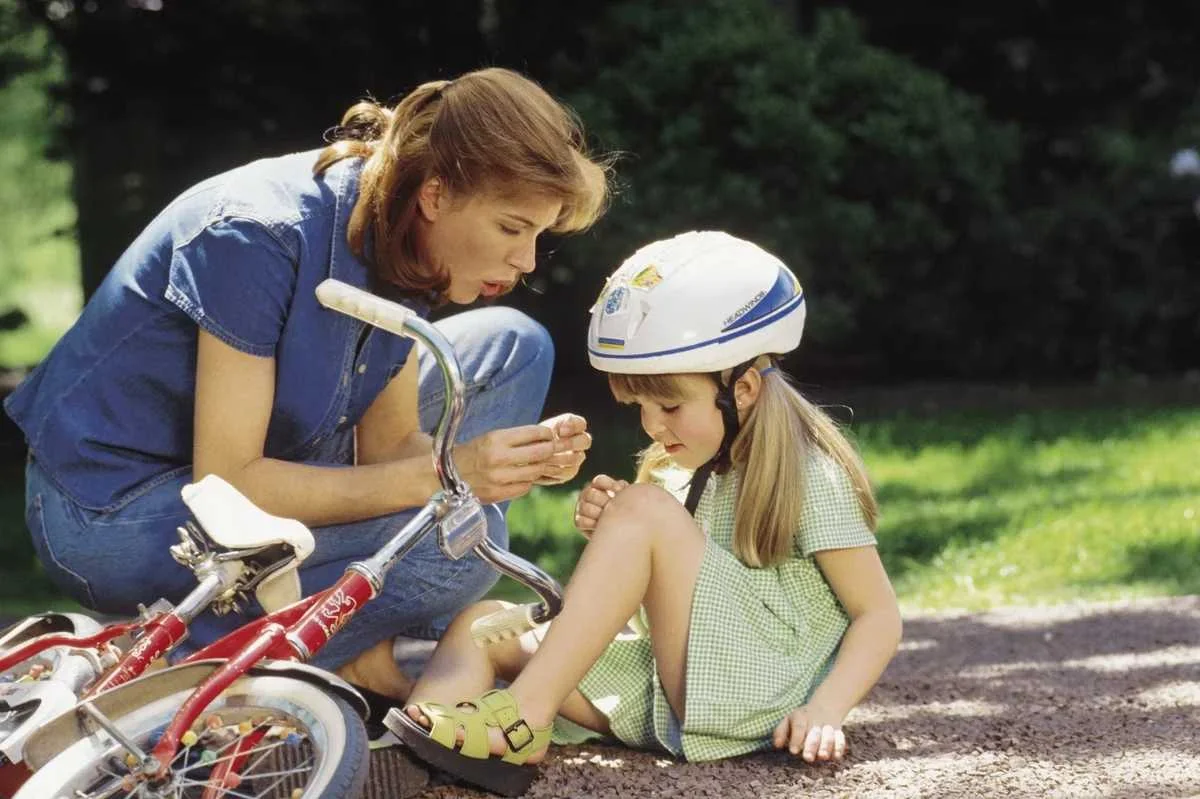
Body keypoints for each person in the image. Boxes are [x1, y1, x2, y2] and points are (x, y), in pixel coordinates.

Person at [2, 67, 611, 708]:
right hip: (114, 511)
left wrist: (502, 466)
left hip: (269, 463)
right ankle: (184, 667)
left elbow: (389, 444)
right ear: (436, 195)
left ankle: (375, 644)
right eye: (512, 228)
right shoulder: (254, 235)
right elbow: (231, 484)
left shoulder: (404, 227)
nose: (527, 260)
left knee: (511, 347)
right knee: (463, 549)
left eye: (539, 236)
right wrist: (452, 475)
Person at [386, 231, 903, 796]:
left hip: (756, 690)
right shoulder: (683, 463)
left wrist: (826, 709)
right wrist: (614, 530)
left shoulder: (807, 473)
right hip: (666, 681)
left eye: (670, 404)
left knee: (642, 509)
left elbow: (877, 614)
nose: (653, 426)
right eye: (641, 407)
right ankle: (422, 743)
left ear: (745, 388)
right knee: (482, 625)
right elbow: (667, 583)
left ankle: (521, 717)